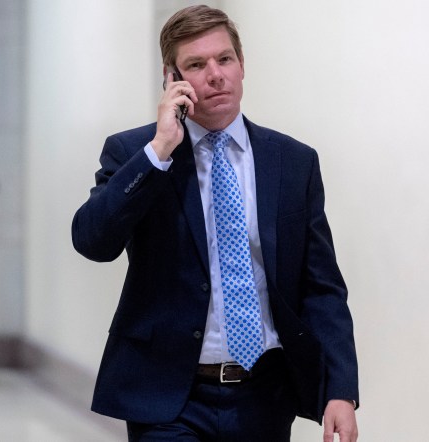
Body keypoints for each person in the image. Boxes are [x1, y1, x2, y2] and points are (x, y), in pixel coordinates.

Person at [72, 5, 359, 441]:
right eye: (196, 64)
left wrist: (339, 388)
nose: (215, 74)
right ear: (172, 78)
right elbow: (93, 240)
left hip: (265, 395)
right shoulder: (137, 152)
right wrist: (160, 150)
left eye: (224, 59)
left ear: (242, 65)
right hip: (169, 397)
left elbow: (321, 286)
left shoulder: (293, 162)